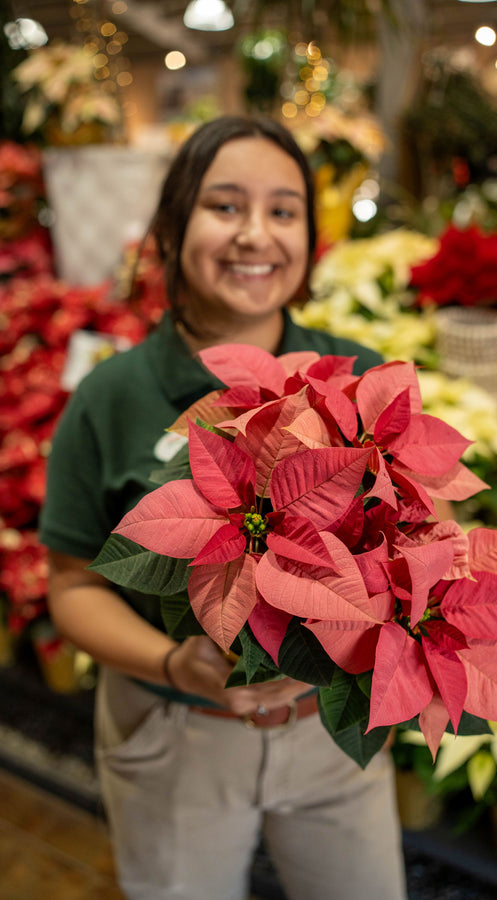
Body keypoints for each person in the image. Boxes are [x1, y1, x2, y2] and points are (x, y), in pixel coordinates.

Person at [39, 115, 407, 900]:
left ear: (310, 235)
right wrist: (178, 663)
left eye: (283, 210)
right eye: (225, 205)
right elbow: (71, 584)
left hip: (329, 735)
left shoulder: (359, 379)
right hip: (176, 733)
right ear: (172, 228)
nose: (256, 235)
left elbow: (407, 538)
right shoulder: (112, 396)